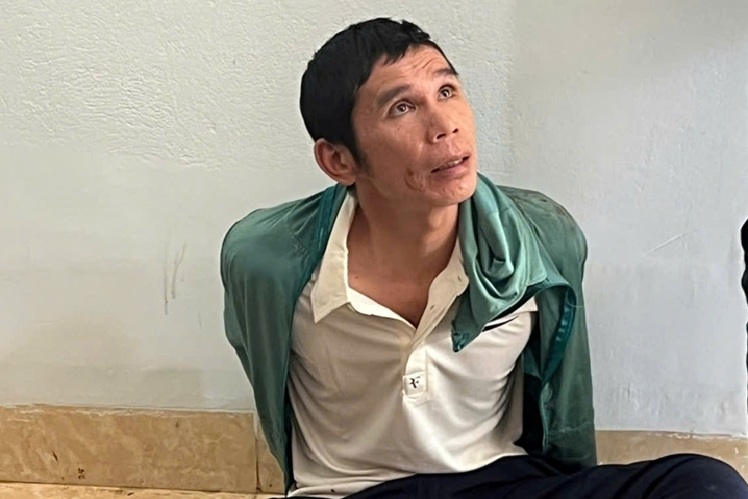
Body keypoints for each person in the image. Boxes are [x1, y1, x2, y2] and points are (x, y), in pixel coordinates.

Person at [220, 17, 748, 499]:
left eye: (447, 91)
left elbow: (565, 399)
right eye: (402, 107)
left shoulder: (540, 238)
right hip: (352, 492)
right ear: (338, 159)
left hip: (502, 483)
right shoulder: (268, 261)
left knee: (705, 483)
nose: (444, 124)